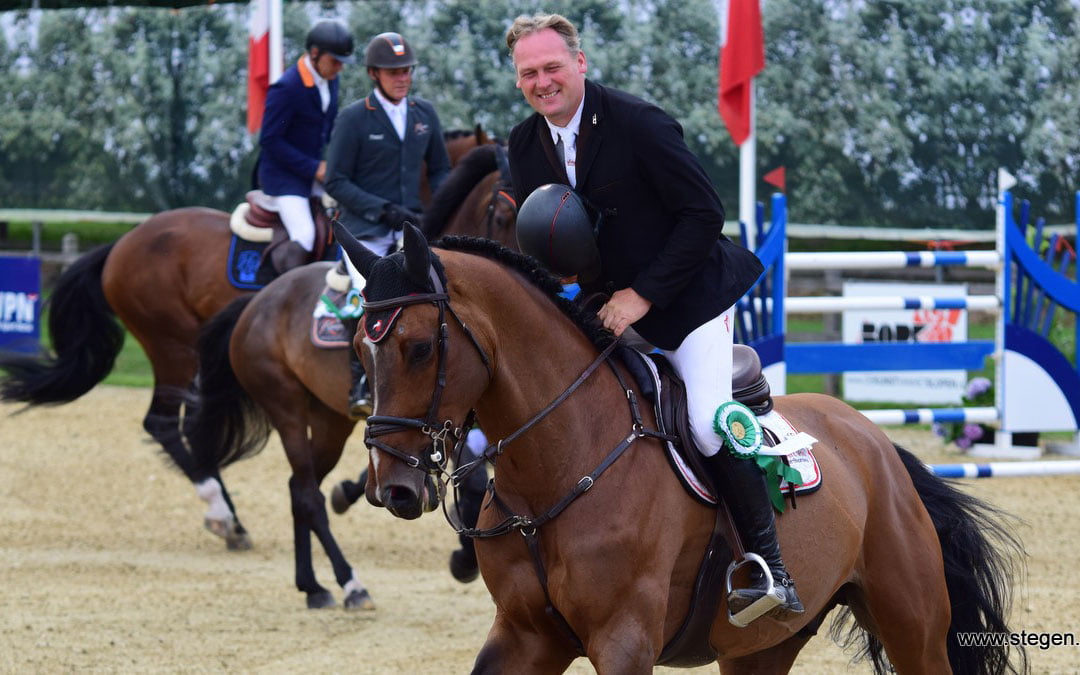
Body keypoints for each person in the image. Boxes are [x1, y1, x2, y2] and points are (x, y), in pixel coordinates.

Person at [504, 14, 802, 621]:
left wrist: (642, 295)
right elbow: (551, 239)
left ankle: (767, 569)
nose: (543, 81)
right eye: (529, 73)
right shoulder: (522, 144)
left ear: (580, 63)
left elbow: (703, 215)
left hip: (687, 303)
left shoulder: (638, 123)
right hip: (601, 311)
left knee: (705, 422)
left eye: (552, 67)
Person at [325, 31, 452, 418]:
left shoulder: (423, 114)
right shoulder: (353, 118)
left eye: (407, 70)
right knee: (373, 296)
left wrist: (444, 209)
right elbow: (335, 180)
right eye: (393, 71)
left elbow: (443, 170)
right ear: (374, 74)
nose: (402, 77)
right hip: (365, 232)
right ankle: (361, 382)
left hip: (410, 230)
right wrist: (382, 209)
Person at [258, 19, 354, 274]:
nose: (339, 68)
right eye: (335, 61)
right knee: (305, 234)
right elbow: (269, 140)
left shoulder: (329, 80)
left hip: (311, 173)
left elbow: (327, 130)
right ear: (314, 54)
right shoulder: (286, 88)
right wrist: (314, 168)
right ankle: (284, 297)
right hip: (283, 178)